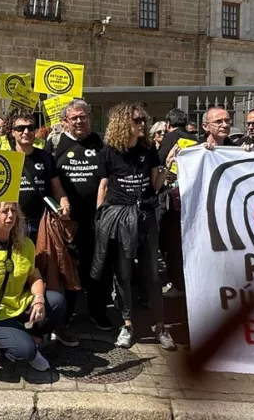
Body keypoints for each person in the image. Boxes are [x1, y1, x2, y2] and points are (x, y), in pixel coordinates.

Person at [91, 103, 177, 351]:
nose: (142, 124)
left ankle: (161, 327)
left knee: (152, 273)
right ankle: (127, 325)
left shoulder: (148, 148)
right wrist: (100, 217)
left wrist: (167, 165)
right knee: (124, 273)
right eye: (137, 120)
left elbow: (156, 184)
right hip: (119, 217)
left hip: (146, 216)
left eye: (143, 120)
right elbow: (104, 186)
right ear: (122, 123)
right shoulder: (109, 152)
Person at [0, 201, 64, 373]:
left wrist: (38, 300)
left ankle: (34, 339)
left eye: (13, 211)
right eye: (4, 211)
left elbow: (34, 276)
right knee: (24, 352)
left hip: (18, 303)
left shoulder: (25, 244)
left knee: (56, 301)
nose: (10, 216)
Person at [49, 99, 109, 334]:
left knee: (97, 267)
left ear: (89, 118)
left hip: (96, 220)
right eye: (74, 117)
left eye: (82, 116)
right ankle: (68, 313)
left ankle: (98, 312)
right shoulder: (55, 145)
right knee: (67, 269)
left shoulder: (101, 143)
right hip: (66, 222)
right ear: (65, 121)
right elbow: (48, 180)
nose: (79, 121)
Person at [4, 108, 69, 241]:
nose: (26, 132)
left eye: (30, 128)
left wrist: (64, 203)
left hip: (41, 222)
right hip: (13, 223)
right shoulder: (5, 159)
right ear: (13, 133)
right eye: (21, 128)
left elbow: (57, 188)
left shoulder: (45, 157)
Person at [156, 108, 197, 301]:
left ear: (168, 124)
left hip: (172, 198)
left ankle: (178, 284)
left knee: (171, 243)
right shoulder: (197, 140)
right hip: (193, 198)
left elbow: (158, 163)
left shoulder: (170, 138)